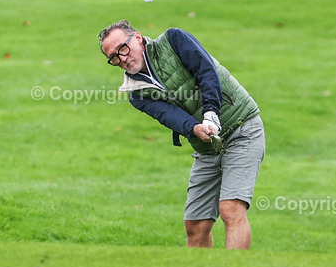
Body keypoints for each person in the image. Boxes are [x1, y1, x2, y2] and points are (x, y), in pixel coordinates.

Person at [99, 20, 265, 249]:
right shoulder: (136, 94)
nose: (122, 58)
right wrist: (195, 128)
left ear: (137, 38)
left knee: (230, 209)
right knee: (195, 224)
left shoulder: (173, 40)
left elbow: (206, 71)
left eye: (123, 48)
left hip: (241, 128)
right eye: (114, 58)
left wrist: (211, 113)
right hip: (207, 146)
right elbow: (171, 116)